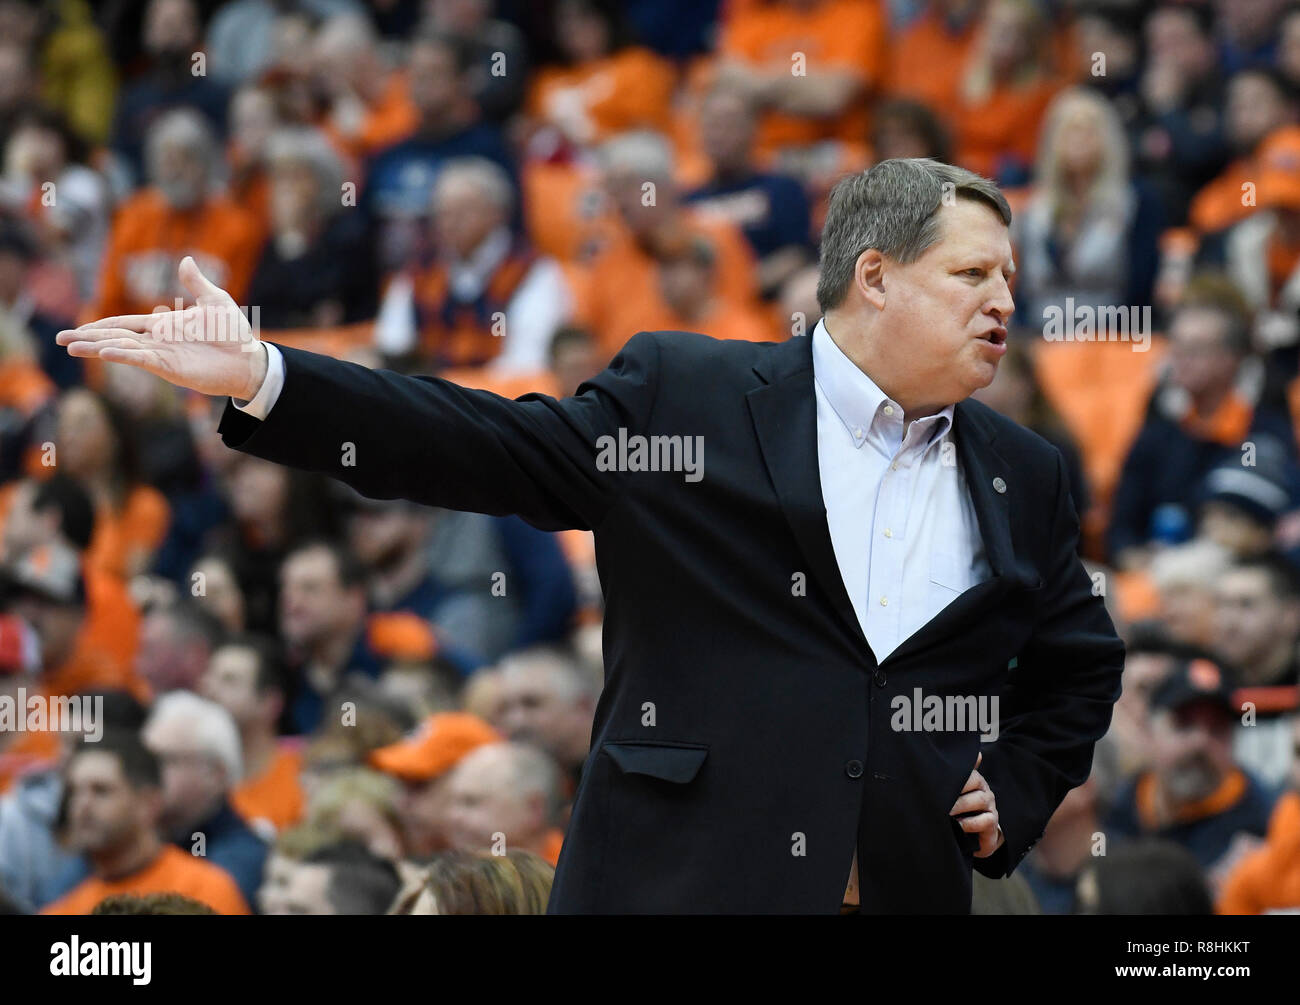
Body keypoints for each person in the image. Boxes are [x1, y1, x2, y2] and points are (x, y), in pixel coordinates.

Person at [58, 157, 1125, 914]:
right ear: (875, 276)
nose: (1004, 303)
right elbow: (484, 445)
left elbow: (1080, 661)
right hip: (681, 883)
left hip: (900, 886)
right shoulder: (689, 393)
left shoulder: (1018, 467)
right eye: (972, 275)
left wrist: (1021, 781)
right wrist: (265, 376)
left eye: (1011, 281)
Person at [40, 732, 251, 915]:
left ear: (148, 804)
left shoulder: (205, 892)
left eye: (101, 791)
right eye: (74, 792)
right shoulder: (60, 908)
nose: (82, 805)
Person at [141, 691, 269, 907]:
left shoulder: (240, 859)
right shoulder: (135, 838)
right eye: (145, 758)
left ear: (216, 774)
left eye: (166, 760)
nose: (147, 772)